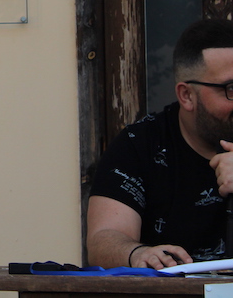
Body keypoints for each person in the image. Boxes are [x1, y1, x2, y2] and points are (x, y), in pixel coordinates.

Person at [86, 18, 233, 268]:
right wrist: (136, 254)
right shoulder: (139, 145)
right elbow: (104, 240)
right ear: (186, 95)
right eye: (230, 88)